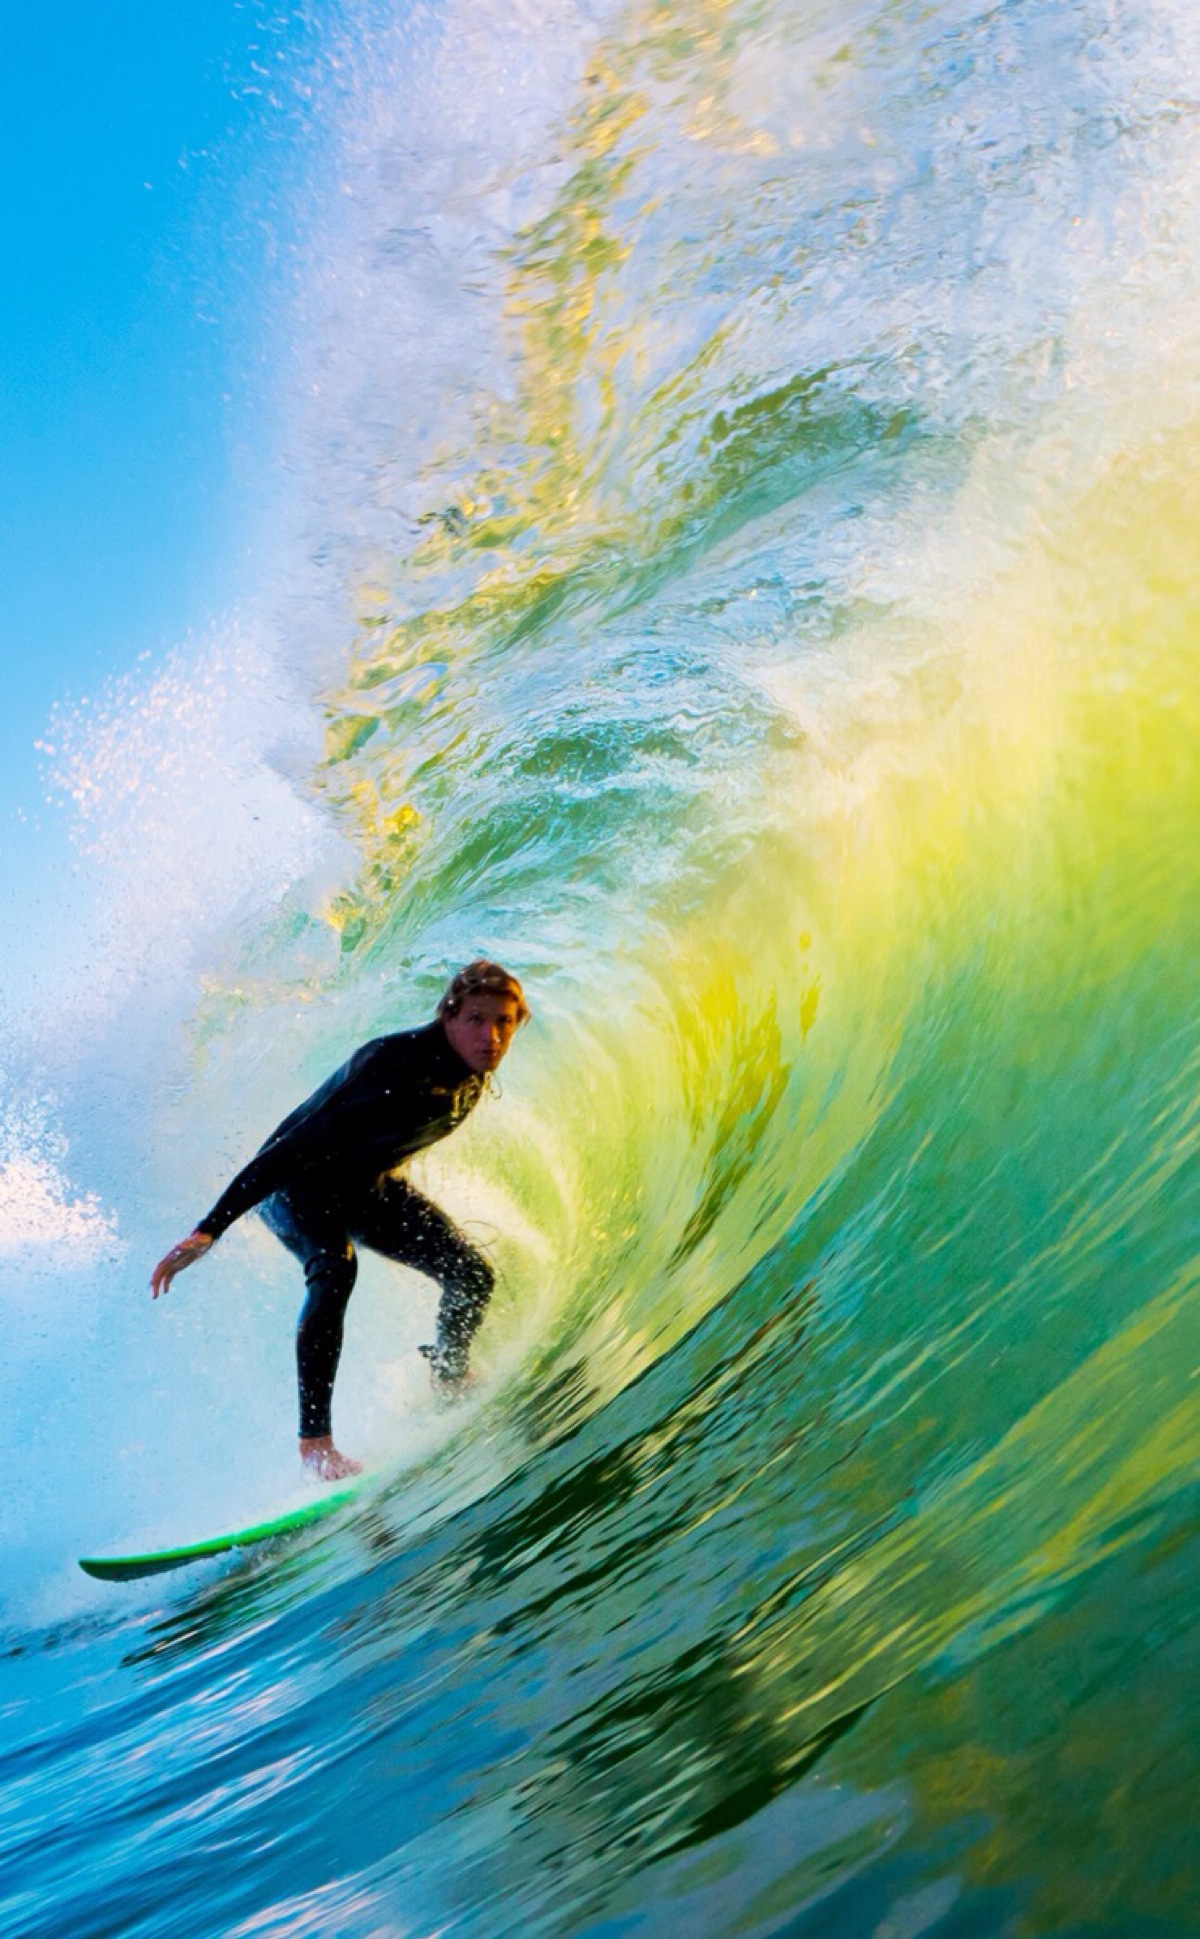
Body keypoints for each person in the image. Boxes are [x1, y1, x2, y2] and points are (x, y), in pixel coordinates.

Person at [150, 961, 529, 1480]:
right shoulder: (391, 1065)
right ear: (448, 1015)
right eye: (477, 1019)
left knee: (471, 1275)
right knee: (334, 1267)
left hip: (362, 1189)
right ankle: (316, 1446)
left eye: (504, 1022)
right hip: (294, 1186)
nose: (491, 1036)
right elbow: (290, 1149)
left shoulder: (469, 1073)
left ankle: (449, 1377)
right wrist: (209, 1229)